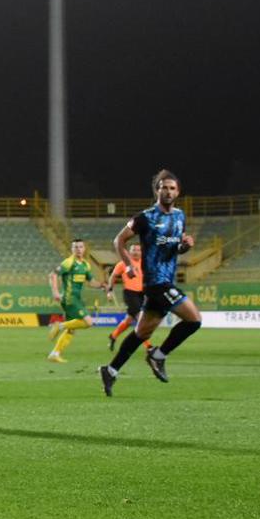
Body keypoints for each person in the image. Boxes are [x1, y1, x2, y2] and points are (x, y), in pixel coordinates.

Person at [100, 169, 202, 395]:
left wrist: (185, 246)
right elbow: (119, 240)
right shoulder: (145, 217)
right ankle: (158, 356)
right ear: (157, 191)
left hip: (166, 279)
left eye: (172, 188)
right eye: (164, 187)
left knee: (142, 333)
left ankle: (110, 370)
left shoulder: (180, 217)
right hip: (156, 283)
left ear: (178, 192)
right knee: (194, 320)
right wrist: (128, 265)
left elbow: (174, 249)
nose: (168, 192)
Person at [46, 238, 94, 363]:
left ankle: (55, 354)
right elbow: (52, 275)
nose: (78, 249)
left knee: (71, 330)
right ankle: (59, 325)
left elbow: (92, 282)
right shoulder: (68, 262)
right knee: (88, 322)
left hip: (76, 299)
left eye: (80, 247)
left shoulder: (85, 265)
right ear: (72, 249)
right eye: (75, 247)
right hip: (70, 298)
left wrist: (104, 286)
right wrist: (55, 292)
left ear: (84, 249)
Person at [104, 241, 152, 353]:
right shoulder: (123, 264)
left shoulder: (145, 263)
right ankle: (148, 346)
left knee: (129, 320)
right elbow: (113, 276)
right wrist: (109, 290)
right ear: (129, 252)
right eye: (133, 250)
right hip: (130, 294)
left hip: (142, 294)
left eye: (138, 250)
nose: (136, 252)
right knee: (141, 319)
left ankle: (113, 336)